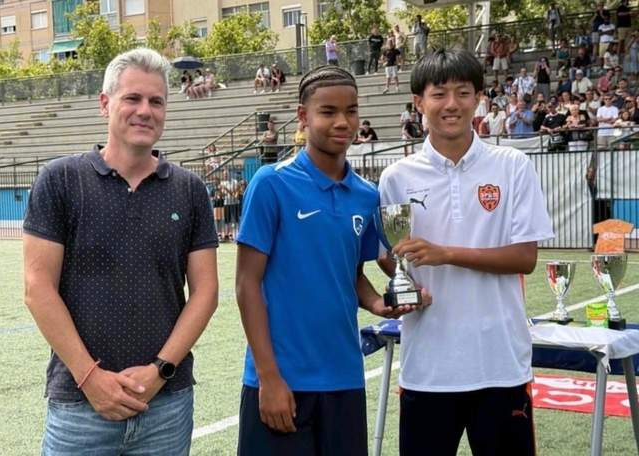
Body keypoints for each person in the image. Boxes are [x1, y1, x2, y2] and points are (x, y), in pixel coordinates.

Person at [23, 48, 219, 455]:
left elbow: (205, 292)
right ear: (105, 103)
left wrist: (159, 371)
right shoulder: (60, 180)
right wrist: (90, 378)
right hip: (78, 405)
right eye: (133, 98)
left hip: (166, 405)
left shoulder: (189, 190)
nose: (145, 110)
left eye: (156, 101)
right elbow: (37, 288)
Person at [235, 65, 423, 456]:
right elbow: (246, 284)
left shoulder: (366, 195)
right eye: (328, 111)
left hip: (343, 377)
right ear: (303, 116)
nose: (342, 122)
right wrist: (269, 377)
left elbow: (350, 271)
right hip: (282, 379)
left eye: (351, 111)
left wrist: (378, 302)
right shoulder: (271, 183)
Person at [378, 48, 553, 456]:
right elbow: (391, 257)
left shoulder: (512, 165)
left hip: (500, 365)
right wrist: (406, 287)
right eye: (439, 94)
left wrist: (446, 254)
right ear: (419, 102)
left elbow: (525, 258)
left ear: (478, 98)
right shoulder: (396, 177)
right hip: (428, 369)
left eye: (463, 92)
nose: (451, 104)